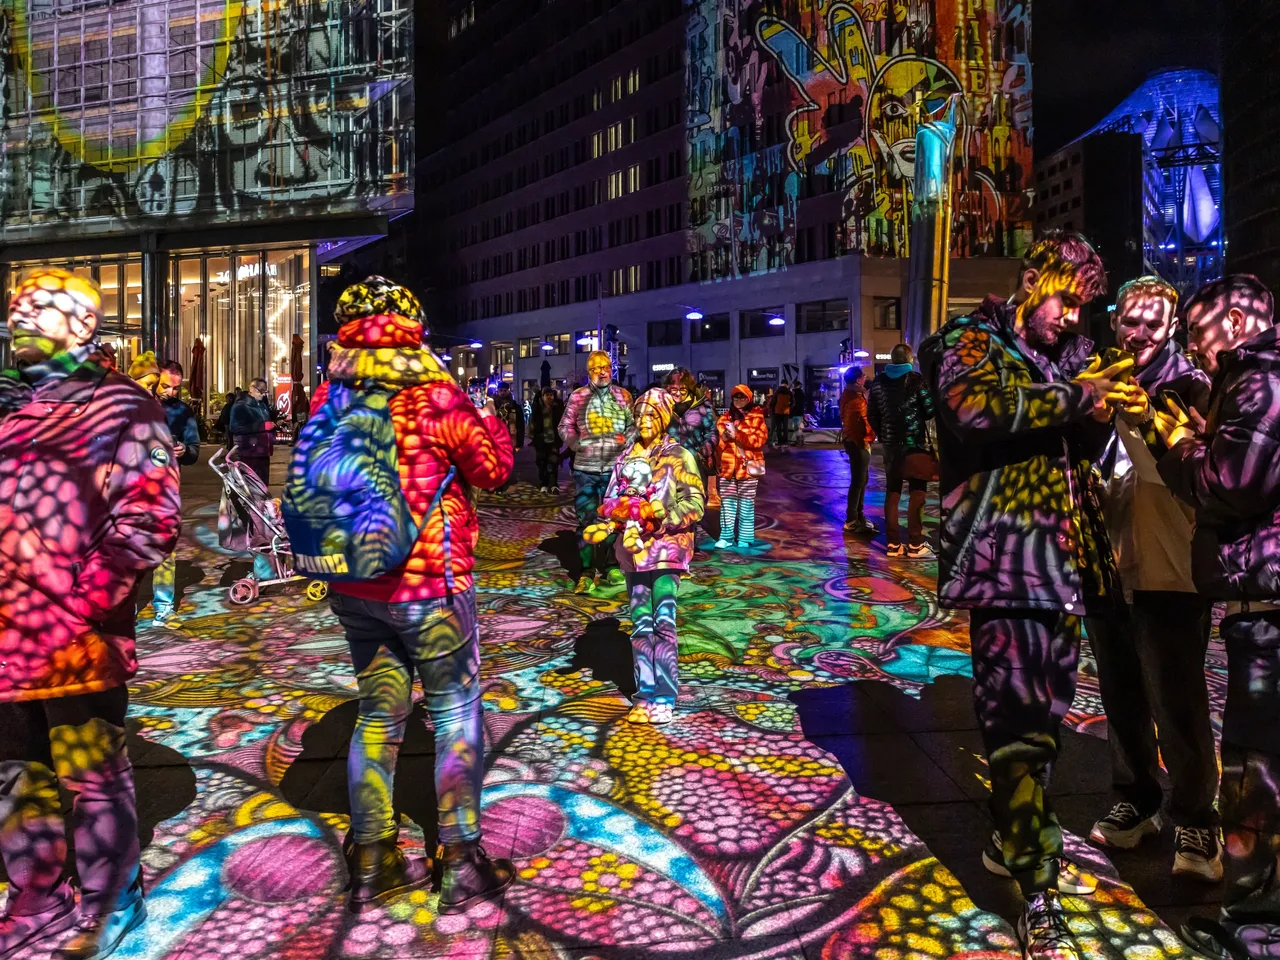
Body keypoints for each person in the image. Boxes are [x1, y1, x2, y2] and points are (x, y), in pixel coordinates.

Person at [918, 231, 1137, 960]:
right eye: (1066, 301)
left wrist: (1103, 419)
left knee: (1042, 724)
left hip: (1068, 570)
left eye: (1084, 308)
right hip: (1007, 564)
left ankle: (1012, 834)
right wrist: (1080, 399)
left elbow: (1095, 452)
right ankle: (1036, 886)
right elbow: (976, 409)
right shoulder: (969, 339)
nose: (1075, 318)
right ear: (1034, 280)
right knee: (1013, 725)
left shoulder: (1071, 360)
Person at [315, 277, 516, 915]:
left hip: (354, 582)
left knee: (378, 714)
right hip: (430, 580)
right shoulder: (435, 393)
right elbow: (495, 469)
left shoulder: (330, 393)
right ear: (413, 324)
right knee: (455, 712)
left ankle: (372, 860)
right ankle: (459, 860)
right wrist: (481, 409)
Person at [0, 267, 181, 959]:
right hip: (7, 634)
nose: (20, 322)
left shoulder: (121, 407)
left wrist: (82, 603)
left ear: (80, 326)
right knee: (17, 774)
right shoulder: (12, 410)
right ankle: (35, 895)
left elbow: (149, 518)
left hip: (72, 639)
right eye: (16, 311)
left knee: (90, 774)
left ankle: (112, 897)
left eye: (37, 312)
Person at [1153, 275, 1280, 959]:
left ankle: (1256, 928)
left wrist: (1177, 444)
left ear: (1236, 321)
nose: (1192, 350)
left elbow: (1231, 485)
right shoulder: (1256, 382)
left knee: (1257, 777)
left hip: (1269, 609)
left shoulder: (1260, 381)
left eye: (1197, 334)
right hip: (1266, 598)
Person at [1085, 277, 1221, 881]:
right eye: (1129, 321)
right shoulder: (1100, 376)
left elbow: (1189, 471)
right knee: (1120, 691)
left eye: (1151, 323)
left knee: (1178, 697)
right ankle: (1136, 797)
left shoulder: (1190, 385)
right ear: (1116, 323)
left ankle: (1197, 816)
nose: (1138, 332)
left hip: (1170, 560)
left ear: (1169, 330)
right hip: (1108, 558)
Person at [601, 389, 705, 725]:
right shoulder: (625, 457)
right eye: (640, 416)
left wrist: (662, 516)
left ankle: (665, 693)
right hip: (633, 555)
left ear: (662, 419)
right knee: (641, 624)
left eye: (651, 416)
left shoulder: (678, 456)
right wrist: (614, 514)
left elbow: (696, 503)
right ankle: (644, 693)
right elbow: (609, 498)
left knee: (664, 623)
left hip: (665, 554)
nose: (644, 422)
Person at [560, 351, 633, 594]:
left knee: (614, 520)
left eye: (605, 366)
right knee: (587, 522)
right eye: (595, 368)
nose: (602, 371)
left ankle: (611, 565)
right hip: (586, 471)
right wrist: (576, 444)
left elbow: (634, 425)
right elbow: (565, 425)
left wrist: (627, 441)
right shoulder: (578, 397)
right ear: (588, 372)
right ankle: (587, 571)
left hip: (615, 470)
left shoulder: (623, 396)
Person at [866, 343, 936, 559]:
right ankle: (915, 543)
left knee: (893, 492)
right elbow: (930, 409)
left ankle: (893, 544)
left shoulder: (878, 382)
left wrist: (883, 433)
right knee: (917, 492)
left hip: (890, 446)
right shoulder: (916, 379)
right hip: (914, 444)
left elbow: (872, 414)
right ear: (909, 359)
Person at [146, 361, 201, 628]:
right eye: (165, 386)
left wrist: (185, 452)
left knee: (166, 548)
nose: (171, 392)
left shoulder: (183, 411)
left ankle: (164, 607)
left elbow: (194, 450)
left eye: (176, 388)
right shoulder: (140, 405)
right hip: (135, 486)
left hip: (167, 486)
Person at [715, 384, 769, 549]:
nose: (739, 400)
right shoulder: (724, 419)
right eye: (736, 397)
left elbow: (758, 441)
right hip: (727, 468)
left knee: (746, 504)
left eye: (743, 397)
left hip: (747, 468)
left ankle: (744, 537)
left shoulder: (757, 417)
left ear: (749, 398)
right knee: (727, 504)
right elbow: (717, 445)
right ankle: (726, 537)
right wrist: (724, 438)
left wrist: (737, 435)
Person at [839, 366, 876, 534]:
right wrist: (866, 440)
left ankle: (859, 516)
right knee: (858, 481)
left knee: (862, 480)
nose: (866, 377)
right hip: (858, 443)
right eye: (863, 375)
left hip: (857, 442)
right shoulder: (855, 399)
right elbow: (856, 425)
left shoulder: (854, 395)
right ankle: (852, 519)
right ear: (857, 380)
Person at [229, 377, 276, 487]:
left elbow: (264, 426)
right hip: (249, 452)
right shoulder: (240, 406)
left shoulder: (262, 405)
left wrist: (273, 427)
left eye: (265, 391)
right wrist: (261, 426)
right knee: (251, 485)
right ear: (253, 389)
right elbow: (235, 428)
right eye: (261, 391)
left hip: (263, 452)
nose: (263, 394)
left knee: (262, 485)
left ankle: (261, 503)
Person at [529, 386, 565, 493]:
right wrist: (533, 437)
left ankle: (553, 484)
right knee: (542, 463)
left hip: (554, 440)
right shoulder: (538, 408)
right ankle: (544, 483)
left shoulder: (557, 408)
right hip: (541, 440)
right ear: (543, 396)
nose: (549, 397)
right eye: (547, 395)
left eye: (551, 395)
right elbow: (532, 423)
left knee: (553, 462)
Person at [493, 382, 524, 494]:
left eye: (504, 390)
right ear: (498, 391)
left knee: (507, 463)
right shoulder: (493, 405)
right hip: (495, 440)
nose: (502, 392)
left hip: (510, 440)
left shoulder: (514, 406)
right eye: (500, 390)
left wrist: (520, 443)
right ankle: (498, 485)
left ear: (508, 391)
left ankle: (504, 484)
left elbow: (520, 425)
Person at [770, 381, 791, 449]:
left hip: (777, 412)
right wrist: (789, 407)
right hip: (786, 412)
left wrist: (773, 410)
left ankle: (779, 440)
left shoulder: (777, 391)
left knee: (778, 427)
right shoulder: (789, 392)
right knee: (785, 427)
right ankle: (785, 441)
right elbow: (793, 402)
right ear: (787, 385)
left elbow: (773, 402)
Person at [790, 380, 806, 446]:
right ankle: (801, 441)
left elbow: (793, 404)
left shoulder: (794, 393)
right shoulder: (802, 393)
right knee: (800, 427)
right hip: (801, 413)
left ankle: (797, 441)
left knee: (796, 428)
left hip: (796, 413)